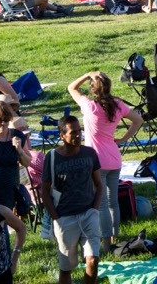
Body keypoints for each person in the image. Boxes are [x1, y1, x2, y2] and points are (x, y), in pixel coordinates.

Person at [66, 71, 143, 252]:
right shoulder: (117, 105)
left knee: (100, 204)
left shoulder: (90, 106)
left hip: (96, 161)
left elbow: (71, 88)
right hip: (114, 158)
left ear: (93, 90)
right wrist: (123, 139)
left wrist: (86, 75)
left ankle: (107, 244)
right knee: (112, 202)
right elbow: (138, 120)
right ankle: (115, 236)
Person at [41, 115, 102, 284]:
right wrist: (56, 218)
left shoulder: (90, 153)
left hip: (89, 214)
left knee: (92, 260)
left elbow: (99, 184)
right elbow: (44, 191)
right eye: (73, 132)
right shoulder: (52, 157)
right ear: (62, 135)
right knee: (66, 268)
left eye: (79, 131)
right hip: (64, 218)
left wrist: (95, 210)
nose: (78, 135)